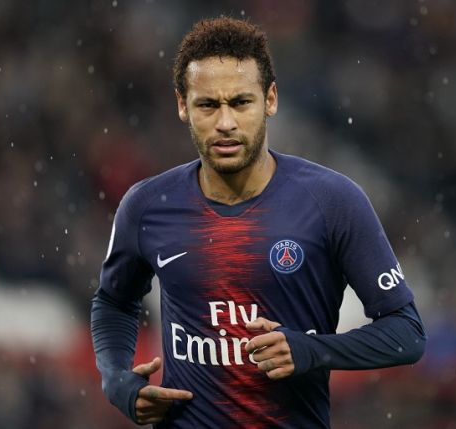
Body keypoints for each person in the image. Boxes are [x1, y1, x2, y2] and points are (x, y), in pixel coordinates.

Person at [91, 17, 426, 429]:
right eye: (208, 105)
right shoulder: (146, 206)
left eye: (240, 102)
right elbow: (113, 302)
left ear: (270, 100)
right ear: (182, 105)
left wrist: (311, 350)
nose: (226, 122)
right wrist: (117, 381)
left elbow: (406, 333)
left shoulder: (332, 201)